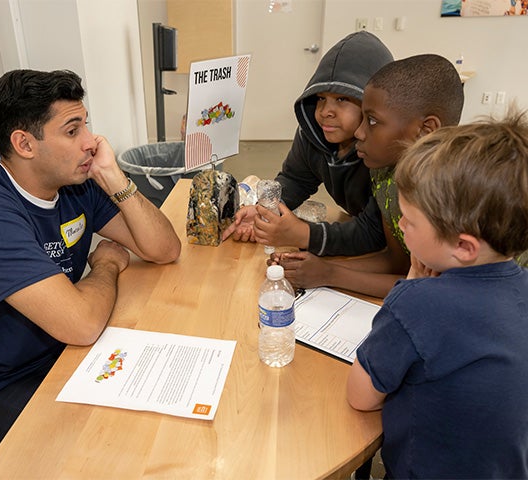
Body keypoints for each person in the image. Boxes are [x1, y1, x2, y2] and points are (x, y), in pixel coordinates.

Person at [0, 69, 181, 450]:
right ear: (25, 144)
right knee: (121, 445)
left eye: (86, 126)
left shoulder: (71, 184)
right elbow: (81, 324)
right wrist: (108, 265)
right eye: (72, 130)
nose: (91, 143)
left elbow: (164, 250)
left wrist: (113, 176)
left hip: (57, 349)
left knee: (164, 403)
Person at [347, 109, 528, 479]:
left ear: (463, 247)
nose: (399, 224)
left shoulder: (417, 304)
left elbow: (360, 397)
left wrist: (411, 284)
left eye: (410, 221)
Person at [274, 54, 465, 298]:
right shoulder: (386, 174)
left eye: (372, 120)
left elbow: (432, 289)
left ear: (426, 130)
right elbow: (398, 262)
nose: (360, 132)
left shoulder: (456, 196)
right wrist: (314, 267)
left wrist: (330, 274)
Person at [222, 31, 393, 257]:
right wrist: (266, 211)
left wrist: (304, 234)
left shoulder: (385, 152)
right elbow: (296, 179)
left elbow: (374, 232)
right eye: (321, 98)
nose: (325, 112)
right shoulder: (314, 134)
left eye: (342, 99)